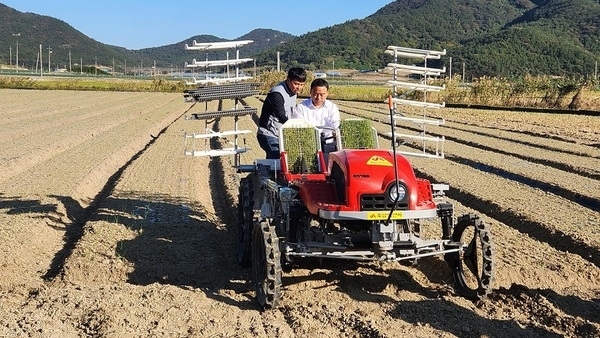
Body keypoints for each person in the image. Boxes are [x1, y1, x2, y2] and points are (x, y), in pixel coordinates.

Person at [257, 67, 307, 159]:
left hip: (280, 134)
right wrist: (295, 127)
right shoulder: (277, 93)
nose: (298, 87)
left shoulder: (293, 91)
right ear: (288, 80)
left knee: (279, 164)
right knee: (277, 162)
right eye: (296, 84)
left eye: (301, 84)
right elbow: (280, 115)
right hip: (269, 134)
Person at [291, 78, 341, 155]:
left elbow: (335, 123)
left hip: (328, 144)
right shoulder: (301, 107)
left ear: (327, 93)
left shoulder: (332, 107)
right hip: (308, 144)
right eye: (315, 94)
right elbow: (299, 126)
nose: (318, 98)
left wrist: (335, 131)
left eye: (322, 95)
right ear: (310, 92)